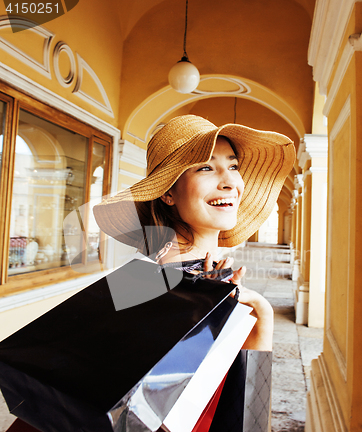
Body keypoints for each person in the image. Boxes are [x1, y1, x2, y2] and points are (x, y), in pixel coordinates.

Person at [93, 114, 296, 351]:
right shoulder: (175, 286)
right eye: (206, 167)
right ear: (168, 192)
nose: (230, 181)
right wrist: (259, 312)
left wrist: (255, 308)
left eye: (233, 166)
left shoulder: (187, 275)